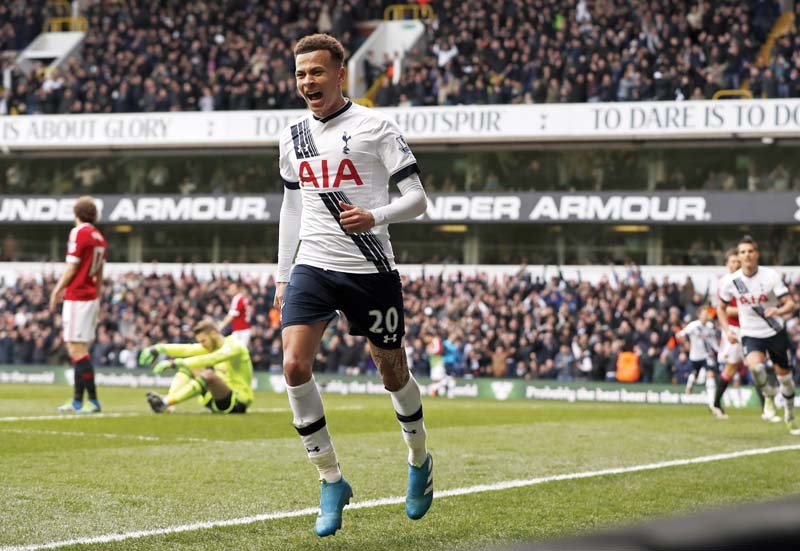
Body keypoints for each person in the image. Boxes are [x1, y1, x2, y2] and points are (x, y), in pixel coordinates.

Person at [275, 33, 432, 537]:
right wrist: (283, 274)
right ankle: (330, 479)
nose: (307, 82)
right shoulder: (292, 136)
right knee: (294, 366)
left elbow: (417, 198)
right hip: (314, 266)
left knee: (391, 373)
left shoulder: (376, 126)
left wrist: (375, 216)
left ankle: (418, 459)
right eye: (301, 74)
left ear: (340, 74)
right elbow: (292, 208)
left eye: (317, 72)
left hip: (370, 269)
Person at [718, 235, 799, 434]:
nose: (746, 256)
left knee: (786, 380)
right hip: (750, 334)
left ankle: (790, 414)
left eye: (750, 251)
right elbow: (720, 308)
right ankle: (769, 396)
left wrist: (778, 311)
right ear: (739, 256)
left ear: (757, 254)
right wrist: (727, 330)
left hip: (774, 331)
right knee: (757, 368)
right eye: (742, 252)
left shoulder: (770, 276)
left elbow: (791, 303)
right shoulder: (731, 281)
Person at [50, 196, 107, 413]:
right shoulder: (99, 237)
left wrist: (57, 289)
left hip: (78, 296)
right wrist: (98, 296)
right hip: (91, 297)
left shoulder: (79, 232)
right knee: (79, 348)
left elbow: (72, 267)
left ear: (76, 214)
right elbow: (100, 271)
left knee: (76, 348)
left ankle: (91, 401)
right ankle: (77, 401)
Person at [138, 319, 253, 414]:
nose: (202, 344)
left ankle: (165, 402)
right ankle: (167, 406)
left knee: (208, 375)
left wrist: (174, 363)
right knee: (190, 367)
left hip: (237, 401)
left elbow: (213, 358)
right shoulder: (211, 345)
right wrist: (158, 348)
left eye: (203, 340)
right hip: (215, 397)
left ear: (213, 334)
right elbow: (187, 349)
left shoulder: (235, 346)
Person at [711, 248, 744, 419]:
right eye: (733, 261)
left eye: (738, 261)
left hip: (751, 328)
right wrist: (746, 309)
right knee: (730, 367)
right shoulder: (724, 282)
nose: (736, 264)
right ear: (726, 264)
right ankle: (716, 404)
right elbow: (725, 310)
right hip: (733, 330)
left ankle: (767, 409)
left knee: (757, 365)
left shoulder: (748, 279)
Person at [675, 307, 718, 404]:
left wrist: (718, 350)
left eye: (707, 314)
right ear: (699, 315)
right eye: (704, 314)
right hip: (695, 356)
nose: (706, 316)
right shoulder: (693, 326)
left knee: (710, 374)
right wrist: (684, 343)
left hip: (707, 356)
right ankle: (689, 388)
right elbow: (680, 335)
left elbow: (712, 342)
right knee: (694, 374)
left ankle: (712, 402)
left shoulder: (710, 327)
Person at [221, 282, 252, 347]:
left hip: (240, 331)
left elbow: (232, 315)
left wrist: (221, 326)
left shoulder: (237, 298)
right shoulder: (243, 297)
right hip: (244, 329)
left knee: (238, 352)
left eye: (232, 288)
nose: (230, 289)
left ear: (238, 289)